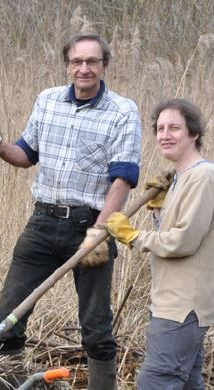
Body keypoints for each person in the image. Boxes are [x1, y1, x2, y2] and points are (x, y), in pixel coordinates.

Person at [0, 33, 141, 389]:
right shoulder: (47, 101)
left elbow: (122, 180)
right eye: (77, 62)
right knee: (9, 317)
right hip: (43, 221)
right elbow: (25, 156)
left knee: (95, 326)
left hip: (90, 225)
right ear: (68, 65)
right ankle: (10, 382)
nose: (84, 68)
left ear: (104, 66)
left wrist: (100, 231)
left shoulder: (123, 111)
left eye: (92, 62)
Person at [103, 99, 211, 390]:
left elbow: (183, 242)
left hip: (183, 306)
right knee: (187, 383)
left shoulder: (203, 176)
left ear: (194, 133)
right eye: (160, 128)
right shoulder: (180, 178)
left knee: (156, 382)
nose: (165, 134)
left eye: (174, 127)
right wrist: (159, 210)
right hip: (172, 302)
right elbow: (175, 230)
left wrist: (134, 236)